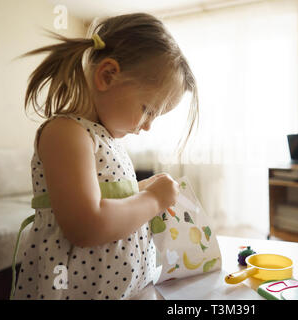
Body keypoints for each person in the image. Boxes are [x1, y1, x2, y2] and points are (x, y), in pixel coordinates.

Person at [10, 12, 199, 300]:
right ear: (107, 76)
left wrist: (140, 189)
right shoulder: (66, 133)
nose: (148, 125)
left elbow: (104, 196)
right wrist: (153, 199)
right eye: (148, 109)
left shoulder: (105, 138)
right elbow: (87, 224)